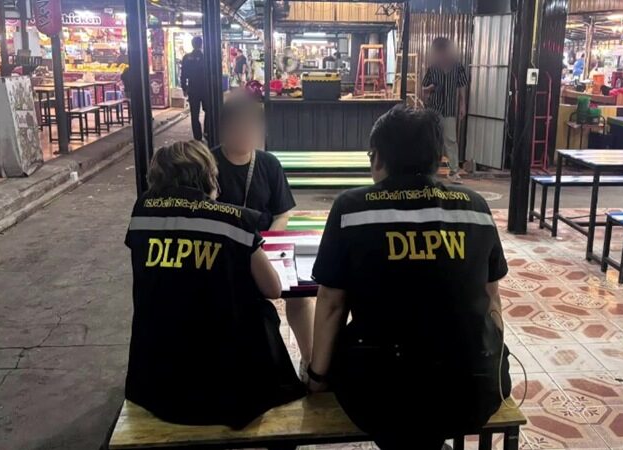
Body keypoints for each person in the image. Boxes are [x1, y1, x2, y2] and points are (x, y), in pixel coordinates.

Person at [307, 105, 511, 450]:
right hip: (472, 392)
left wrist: (316, 377)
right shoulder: (475, 207)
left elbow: (331, 304)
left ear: (378, 158)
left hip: (380, 397)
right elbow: (492, 299)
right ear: (438, 158)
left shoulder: (352, 209)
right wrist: (489, 363)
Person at [123, 140, 305, 433]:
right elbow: (272, 289)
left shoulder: (142, 213)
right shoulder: (234, 221)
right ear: (208, 176)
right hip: (227, 387)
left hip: (156, 382)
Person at [213, 95, 316, 372]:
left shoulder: (268, 163)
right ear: (225, 129)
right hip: (223, 253)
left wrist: (266, 243)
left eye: (253, 127)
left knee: (299, 294)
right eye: (240, 126)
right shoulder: (208, 164)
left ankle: (309, 359)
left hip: (264, 250)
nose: (247, 133)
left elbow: (283, 213)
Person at [422, 37, 468, 181]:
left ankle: (453, 171)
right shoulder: (432, 69)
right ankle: (430, 170)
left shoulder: (458, 67)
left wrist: (462, 104)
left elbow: (462, 86)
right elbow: (424, 88)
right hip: (434, 109)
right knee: (433, 140)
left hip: (449, 109)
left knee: (450, 140)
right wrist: (429, 89)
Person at [180, 36, 208, 141]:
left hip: (193, 88)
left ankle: (197, 137)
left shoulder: (186, 58)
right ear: (201, 45)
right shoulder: (206, 57)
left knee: (194, 114)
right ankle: (207, 132)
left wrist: (184, 88)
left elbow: (183, 74)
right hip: (205, 89)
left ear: (192, 44)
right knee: (208, 111)